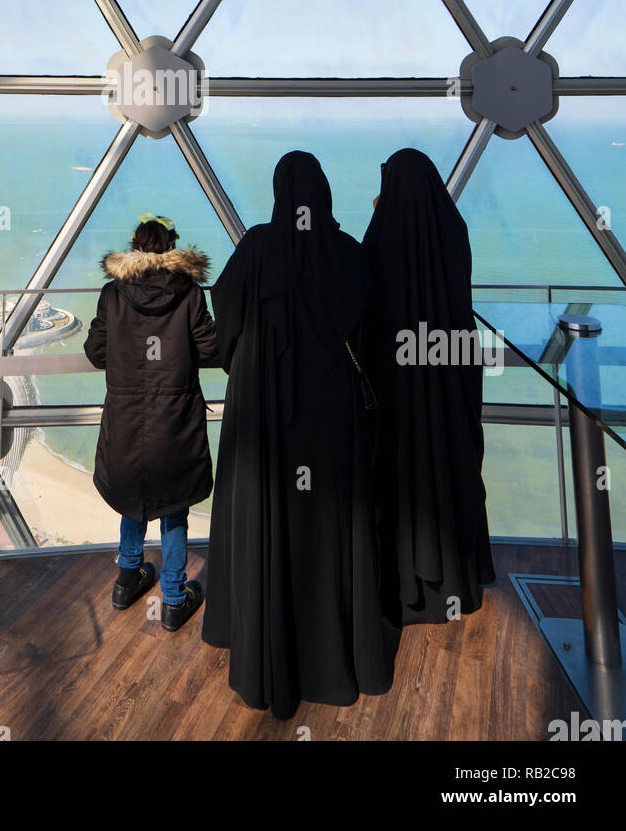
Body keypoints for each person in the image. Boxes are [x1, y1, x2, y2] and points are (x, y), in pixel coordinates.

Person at [202, 152, 393, 718]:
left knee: (269, 525)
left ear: (280, 192)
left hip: (263, 417)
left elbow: (224, 320)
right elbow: (370, 327)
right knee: (330, 530)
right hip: (330, 417)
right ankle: (334, 659)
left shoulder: (258, 248)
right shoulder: (348, 254)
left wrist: (256, 361)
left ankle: (267, 654)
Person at [361, 147, 495, 627]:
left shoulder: (381, 236)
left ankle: (405, 588)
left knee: (397, 478)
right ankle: (456, 585)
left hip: (395, 388)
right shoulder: (451, 229)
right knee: (450, 467)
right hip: (446, 380)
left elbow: (368, 306)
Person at [84, 214, 218, 632]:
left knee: (133, 494)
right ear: (173, 248)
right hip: (174, 418)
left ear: (134, 249)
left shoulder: (113, 294)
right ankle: (174, 600)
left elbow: (95, 351)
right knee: (174, 506)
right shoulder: (191, 295)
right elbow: (211, 349)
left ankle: (128, 580)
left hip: (126, 416)